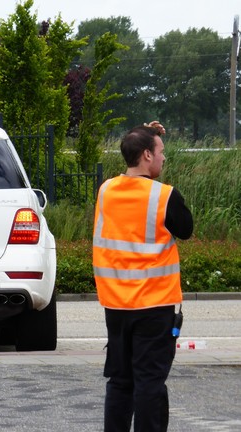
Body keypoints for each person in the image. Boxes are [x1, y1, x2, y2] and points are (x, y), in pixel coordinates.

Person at [92, 121, 193, 432]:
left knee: (121, 381)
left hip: (117, 306)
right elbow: (186, 230)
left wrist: (144, 130)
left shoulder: (106, 190)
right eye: (161, 152)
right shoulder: (163, 196)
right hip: (154, 306)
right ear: (147, 155)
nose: (164, 158)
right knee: (149, 381)